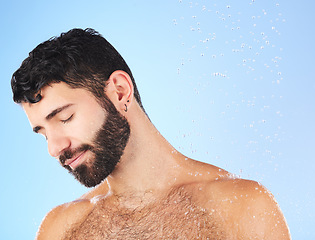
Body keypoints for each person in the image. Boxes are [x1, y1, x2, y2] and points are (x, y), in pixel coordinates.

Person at [11, 28, 291, 239]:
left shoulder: (241, 207)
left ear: (120, 92)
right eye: (43, 133)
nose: (55, 147)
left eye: (65, 117)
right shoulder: (60, 228)